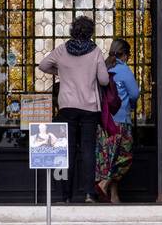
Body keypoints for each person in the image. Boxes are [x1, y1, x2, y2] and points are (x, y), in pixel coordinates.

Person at [38, 16, 109, 203]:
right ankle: (88, 193)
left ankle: (66, 196)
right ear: (91, 31)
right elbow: (104, 80)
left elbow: (43, 65)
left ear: (72, 30)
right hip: (89, 108)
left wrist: (59, 72)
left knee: (66, 151)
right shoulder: (95, 52)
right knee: (87, 150)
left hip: (67, 107)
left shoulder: (62, 50)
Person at [95, 37, 140, 203]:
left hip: (104, 122)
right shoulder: (124, 70)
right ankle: (104, 183)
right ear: (125, 55)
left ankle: (114, 195)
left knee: (108, 157)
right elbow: (134, 93)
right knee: (125, 156)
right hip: (120, 121)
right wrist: (132, 105)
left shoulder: (104, 67)